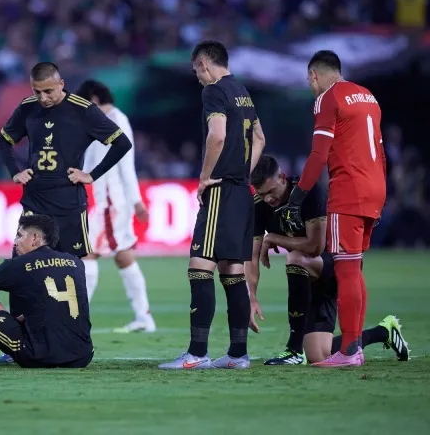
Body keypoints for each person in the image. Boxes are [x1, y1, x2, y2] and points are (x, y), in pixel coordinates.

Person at [0, 62, 131, 364]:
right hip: (34, 204)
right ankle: (20, 342)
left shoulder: (82, 109)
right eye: (37, 91)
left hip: (69, 205)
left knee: (73, 270)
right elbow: (4, 140)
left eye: (48, 91)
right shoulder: (28, 107)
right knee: (22, 271)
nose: (43, 98)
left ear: (62, 84)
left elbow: (122, 143)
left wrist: (91, 175)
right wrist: (16, 171)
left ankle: (77, 338)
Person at [159, 40, 265, 370]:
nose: (197, 78)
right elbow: (260, 138)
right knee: (232, 271)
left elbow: (216, 136)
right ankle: (237, 355)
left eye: (196, 71)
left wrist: (205, 177)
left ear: (205, 64)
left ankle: (197, 353)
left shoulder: (215, 91)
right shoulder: (243, 90)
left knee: (199, 267)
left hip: (219, 190)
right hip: (241, 192)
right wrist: (242, 173)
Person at [279, 50, 387, 367]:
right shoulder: (368, 96)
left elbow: (317, 156)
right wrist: (380, 195)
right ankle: (353, 347)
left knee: (346, 269)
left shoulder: (327, 99)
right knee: (355, 267)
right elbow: (380, 151)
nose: (311, 86)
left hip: (348, 189)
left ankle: (350, 350)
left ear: (314, 75)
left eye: (309, 80)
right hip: (374, 187)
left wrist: (296, 199)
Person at [248, 155, 408, 365]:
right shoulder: (259, 206)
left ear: (282, 178)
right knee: (318, 355)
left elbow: (316, 246)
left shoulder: (309, 192)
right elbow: (251, 256)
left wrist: (274, 238)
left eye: (271, 191)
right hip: (307, 276)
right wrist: (251, 297)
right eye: (262, 194)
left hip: (335, 264)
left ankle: (294, 350)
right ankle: (384, 331)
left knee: (295, 258)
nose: (268, 199)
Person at [0, 214, 93, 369]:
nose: (15, 242)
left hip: (37, 356)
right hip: (83, 355)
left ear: (35, 238)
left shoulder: (17, 265)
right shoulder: (75, 262)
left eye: (19, 235)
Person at [76, 79, 155, 333]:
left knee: (88, 252)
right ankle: (144, 316)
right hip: (105, 199)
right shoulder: (107, 120)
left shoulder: (115, 120)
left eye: (85, 103)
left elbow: (125, 164)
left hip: (108, 201)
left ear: (95, 99)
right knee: (123, 256)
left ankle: (77, 318)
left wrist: (136, 201)